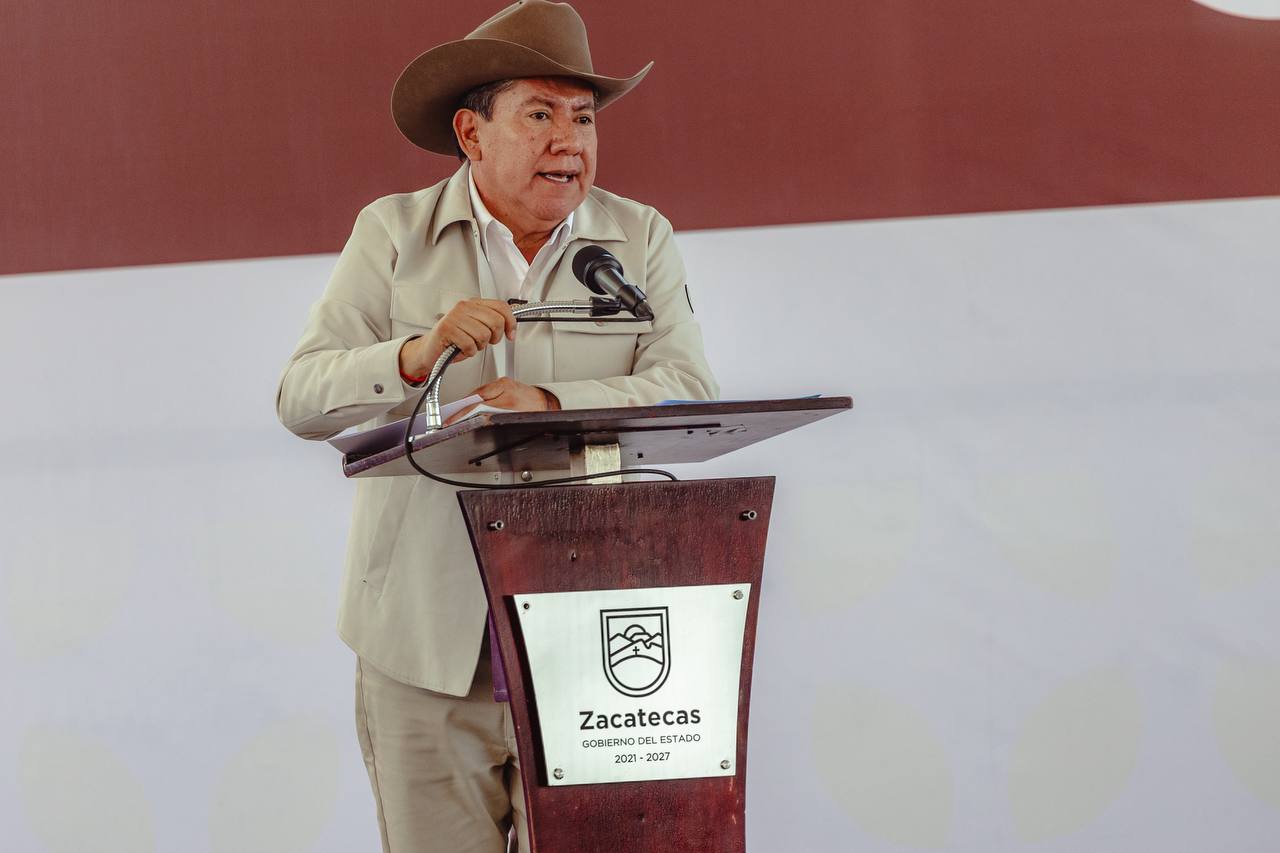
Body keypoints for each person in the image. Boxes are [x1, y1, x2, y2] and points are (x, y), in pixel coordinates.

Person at [275, 2, 717, 851]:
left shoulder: (638, 238)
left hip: (589, 637)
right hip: (424, 646)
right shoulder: (392, 233)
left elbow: (688, 386)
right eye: (540, 115)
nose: (569, 142)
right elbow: (300, 396)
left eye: (583, 118)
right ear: (471, 134)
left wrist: (550, 403)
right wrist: (415, 355)